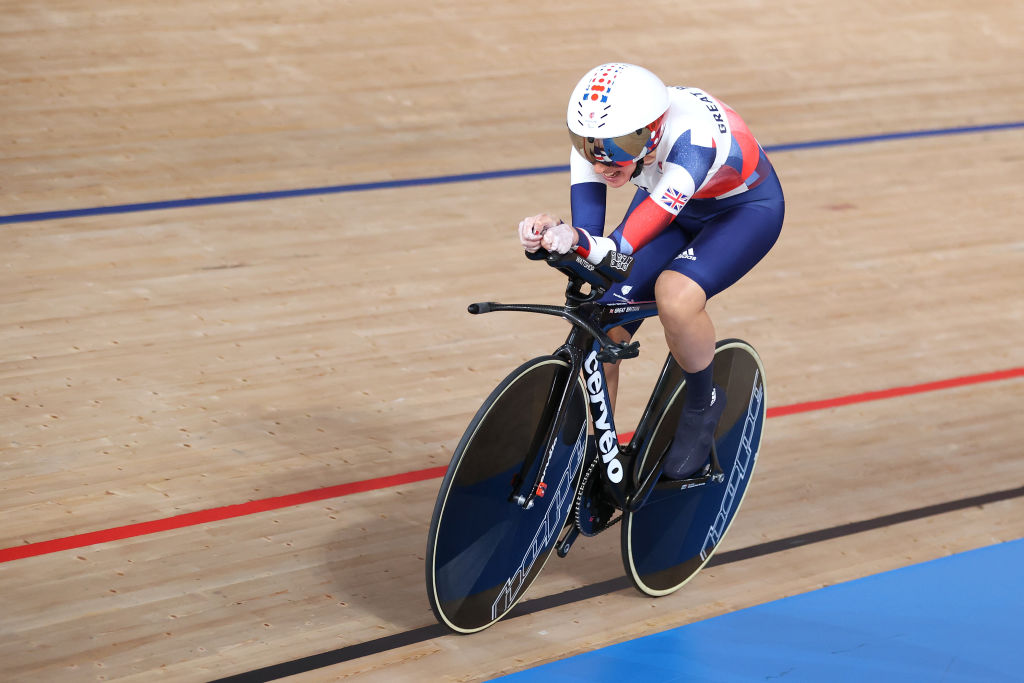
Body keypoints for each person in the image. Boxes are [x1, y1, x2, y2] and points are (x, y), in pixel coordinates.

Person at [518, 63, 784, 480]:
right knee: (600, 328)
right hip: (670, 202)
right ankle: (591, 457)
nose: (603, 162)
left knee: (675, 298)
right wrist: (553, 235)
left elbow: (618, 249)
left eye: (619, 146)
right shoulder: (598, 141)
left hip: (741, 213)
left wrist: (582, 243)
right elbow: (590, 238)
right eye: (590, 147)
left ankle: (702, 403)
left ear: (652, 132)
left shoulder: (694, 142)